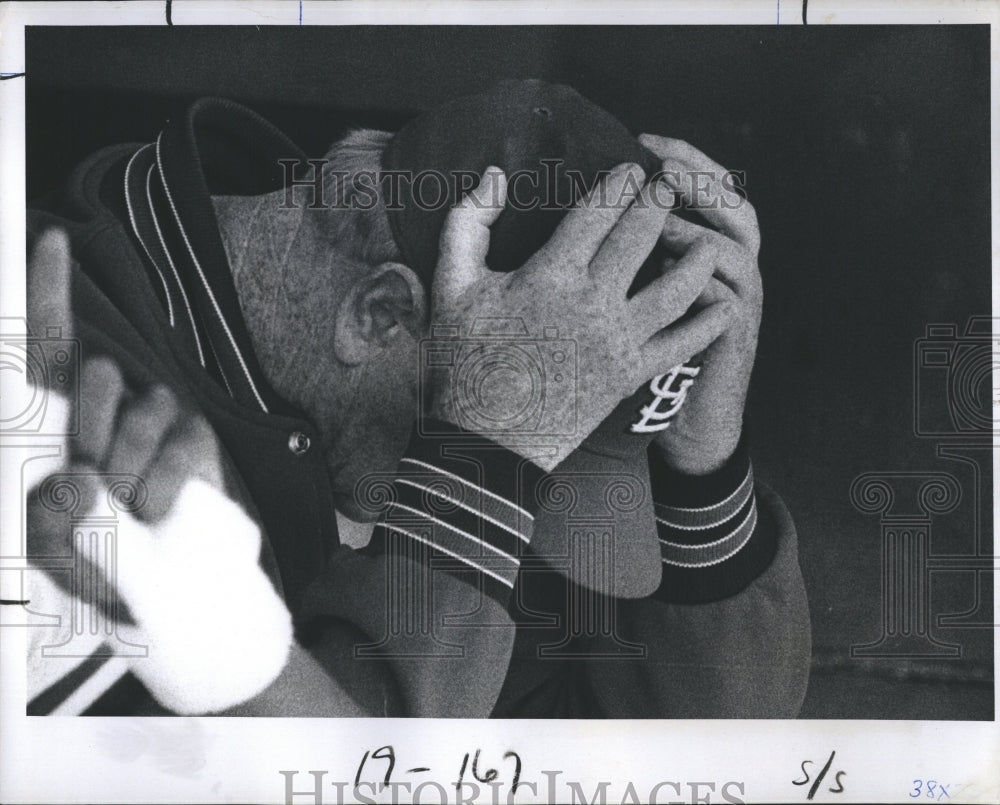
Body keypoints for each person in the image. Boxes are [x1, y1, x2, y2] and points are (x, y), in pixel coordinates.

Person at [22, 80, 810, 717]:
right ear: (381, 314)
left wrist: (700, 469)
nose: (530, 490)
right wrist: (488, 448)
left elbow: (692, 759)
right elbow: (353, 776)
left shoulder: (431, 405)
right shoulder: (53, 394)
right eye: (535, 438)